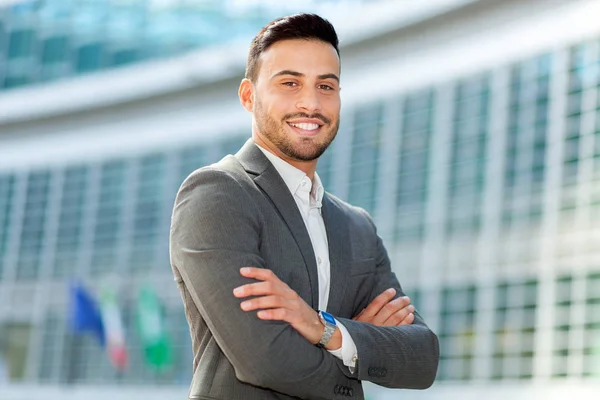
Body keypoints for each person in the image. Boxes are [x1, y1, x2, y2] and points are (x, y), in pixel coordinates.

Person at [170, 13, 439, 400]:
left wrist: (322, 328)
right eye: (290, 83)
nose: (310, 103)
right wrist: (354, 348)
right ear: (249, 96)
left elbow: (422, 357)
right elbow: (266, 359)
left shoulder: (357, 226)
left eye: (326, 86)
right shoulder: (217, 193)